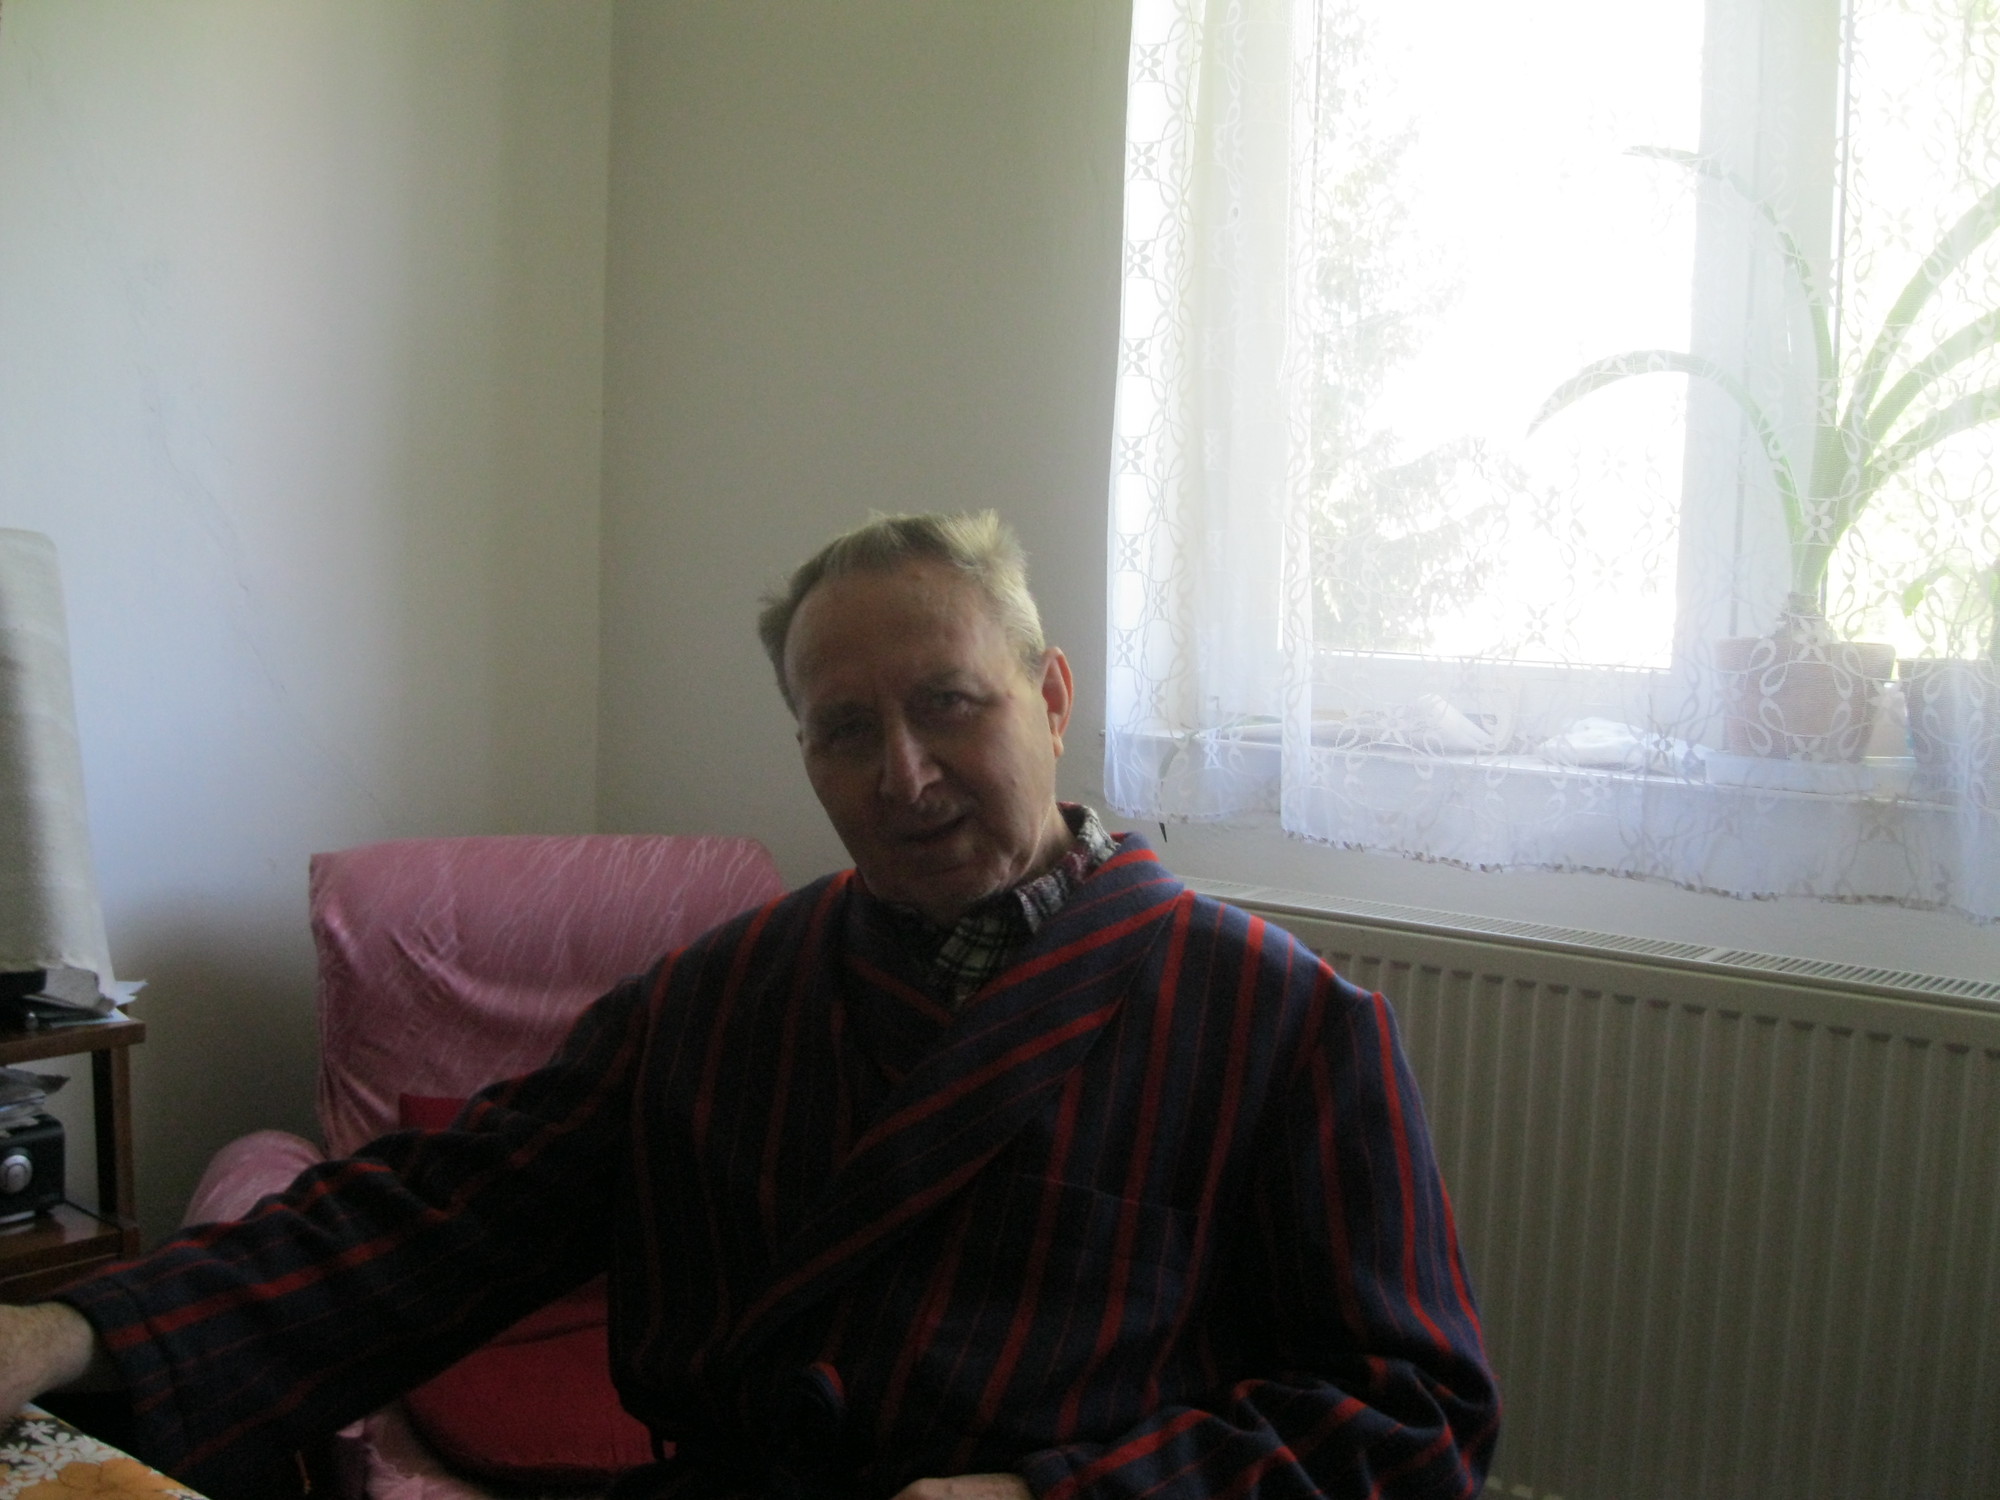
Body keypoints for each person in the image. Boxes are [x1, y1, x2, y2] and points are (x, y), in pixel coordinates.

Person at [0, 512, 1498, 1500]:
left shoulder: (1283, 1023)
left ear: (1050, 699)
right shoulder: (718, 999)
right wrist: (70, 1331)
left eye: (950, 703)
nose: (901, 775)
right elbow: (427, 1217)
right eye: (844, 730)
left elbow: (1411, 1418)